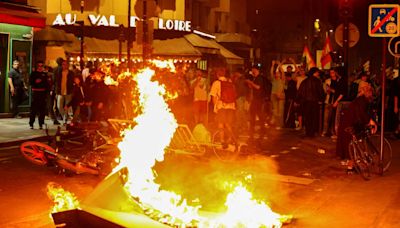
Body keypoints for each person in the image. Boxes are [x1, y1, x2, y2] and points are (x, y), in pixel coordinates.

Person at [336, 84, 377, 162]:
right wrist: (369, 121)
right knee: (349, 138)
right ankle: (350, 158)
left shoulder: (361, 99)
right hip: (350, 121)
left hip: (348, 120)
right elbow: (361, 112)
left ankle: (347, 156)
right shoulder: (362, 100)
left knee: (348, 139)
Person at [210, 67, 236, 147]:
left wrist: (216, 106)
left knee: (221, 123)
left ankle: (222, 140)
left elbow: (213, 96)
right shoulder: (230, 81)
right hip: (231, 106)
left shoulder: (216, 83)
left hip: (222, 106)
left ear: (217, 74)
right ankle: (231, 138)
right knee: (228, 123)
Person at [297, 67, 325, 137]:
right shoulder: (317, 81)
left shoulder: (305, 81)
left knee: (307, 117)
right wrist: (322, 99)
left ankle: (308, 132)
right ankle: (312, 132)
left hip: (306, 102)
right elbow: (320, 91)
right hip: (314, 102)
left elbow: (300, 92)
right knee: (314, 117)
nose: (318, 74)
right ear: (314, 73)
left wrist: (298, 100)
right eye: (317, 72)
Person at [323, 68, 346, 137]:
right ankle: (325, 131)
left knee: (335, 118)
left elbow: (340, 92)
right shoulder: (328, 81)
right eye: (331, 73)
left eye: (334, 72)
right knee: (326, 118)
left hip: (336, 101)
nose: (333, 74)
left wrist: (332, 90)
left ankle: (333, 132)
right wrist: (328, 90)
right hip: (328, 101)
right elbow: (326, 91)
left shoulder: (339, 81)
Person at [246, 65, 266, 141]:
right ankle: (256, 130)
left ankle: (260, 130)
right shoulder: (255, 78)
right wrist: (250, 84)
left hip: (258, 99)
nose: (252, 71)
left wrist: (250, 82)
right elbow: (254, 87)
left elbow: (258, 87)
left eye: (253, 70)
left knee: (257, 115)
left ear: (256, 70)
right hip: (255, 99)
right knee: (254, 115)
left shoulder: (259, 78)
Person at [29, 61, 49, 129]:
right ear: (37, 66)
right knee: (33, 109)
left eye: (41, 66)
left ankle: (41, 123)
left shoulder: (44, 74)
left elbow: (47, 84)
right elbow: (30, 82)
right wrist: (35, 82)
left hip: (42, 93)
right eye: (39, 66)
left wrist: (47, 93)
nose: (40, 67)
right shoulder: (33, 74)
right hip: (36, 93)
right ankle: (31, 123)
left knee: (42, 110)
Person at [53, 59, 74, 124]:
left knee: (66, 106)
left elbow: (72, 82)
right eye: (63, 64)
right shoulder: (59, 72)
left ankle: (65, 119)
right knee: (59, 106)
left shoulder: (70, 73)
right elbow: (55, 81)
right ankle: (65, 117)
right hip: (60, 92)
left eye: (65, 64)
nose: (64, 66)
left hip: (68, 92)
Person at [270, 60, 286, 129]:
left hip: (280, 95)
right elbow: (271, 72)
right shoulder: (273, 79)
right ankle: (276, 124)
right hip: (273, 95)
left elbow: (283, 72)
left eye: (278, 73)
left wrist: (280, 65)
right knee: (275, 110)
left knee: (280, 110)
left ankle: (280, 124)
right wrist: (273, 65)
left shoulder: (282, 80)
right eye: (276, 73)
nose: (277, 74)